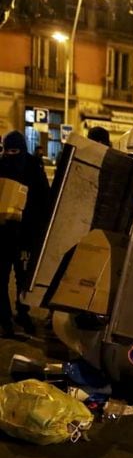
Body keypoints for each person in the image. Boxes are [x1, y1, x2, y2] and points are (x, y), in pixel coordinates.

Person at [0, 130, 50, 337]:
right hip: (3, 235)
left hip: (25, 236)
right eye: (8, 150)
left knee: (23, 278)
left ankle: (22, 312)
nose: (11, 154)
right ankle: (5, 319)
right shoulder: (2, 164)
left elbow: (45, 198)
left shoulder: (33, 168)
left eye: (15, 150)